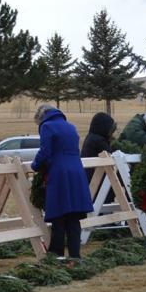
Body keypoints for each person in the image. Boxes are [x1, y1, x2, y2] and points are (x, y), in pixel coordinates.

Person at [30, 104, 95, 260]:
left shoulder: (47, 126)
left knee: (59, 214)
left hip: (59, 173)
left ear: (41, 117)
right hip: (76, 171)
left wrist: (35, 166)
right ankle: (75, 255)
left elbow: (45, 151)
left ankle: (57, 253)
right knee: (73, 216)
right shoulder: (70, 126)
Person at [80, 112, 117, 182]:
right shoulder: (98, 141)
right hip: (94, 179)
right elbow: (112, 156)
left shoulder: (91, 137)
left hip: (88, 177)